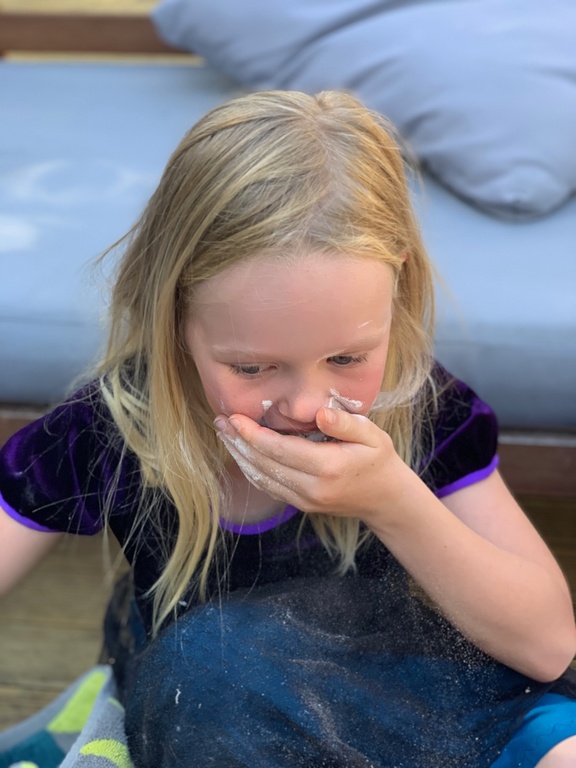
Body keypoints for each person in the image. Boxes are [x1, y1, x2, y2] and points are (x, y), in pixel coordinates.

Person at [0, 90, 575, 768]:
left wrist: (394, 500)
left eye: (347, 358)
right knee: (213, 660)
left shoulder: (424, 410)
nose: (306, 404)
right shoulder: (115, 427)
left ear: (397, 286)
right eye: (252, 367)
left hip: (422, 697)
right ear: (174, 315)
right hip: (219, 708)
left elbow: (548, 645)